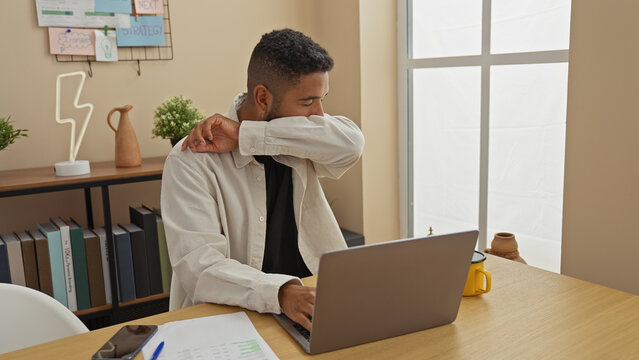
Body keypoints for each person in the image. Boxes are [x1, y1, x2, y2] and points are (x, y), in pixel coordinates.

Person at [160, 28, 364, 331]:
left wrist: (247, 135)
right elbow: (200, 268)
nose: (320, 116)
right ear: (262, 97)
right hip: (229, 319)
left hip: (310, 305)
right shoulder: (191, 159)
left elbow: (351, 144)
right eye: (308, 103)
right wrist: (280, 293)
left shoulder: (300, 139)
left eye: (322, 99)